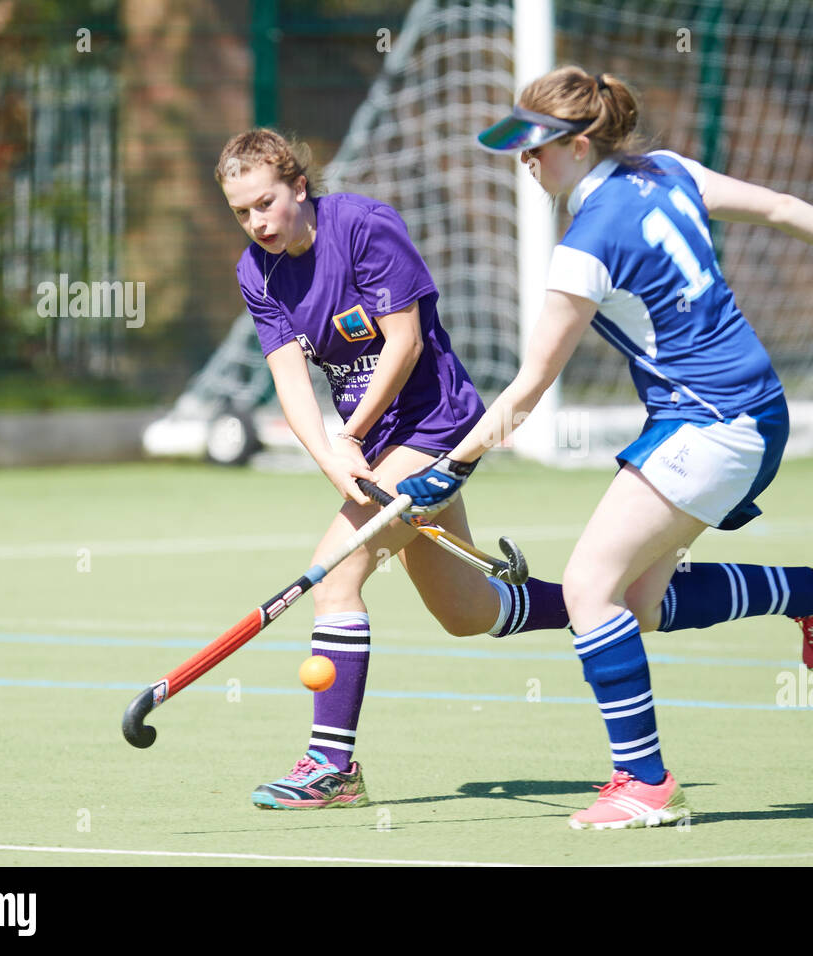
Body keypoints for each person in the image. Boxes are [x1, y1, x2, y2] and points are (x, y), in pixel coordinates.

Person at [397, 68, 813, 829]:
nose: (526, 163)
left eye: (537, 149)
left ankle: (645, 784)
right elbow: (784, 207)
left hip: (715, 421)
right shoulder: (668, 172)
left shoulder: (584, 246)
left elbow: (529, 388)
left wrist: (451, 466)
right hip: (743, 410)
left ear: (580, 143)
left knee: (591, 587)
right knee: (638, 606)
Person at [215, 129, 568, 810]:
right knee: (467, 613)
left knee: (336, 577)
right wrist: (334, 460)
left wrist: (348, 432)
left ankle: (332, 767)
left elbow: (402, 345)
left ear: (297, 185)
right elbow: (290, 384)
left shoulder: (365, 228)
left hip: (436, 428)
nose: (258, 223)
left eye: (266, 203)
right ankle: (602, 598)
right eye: (241, 212)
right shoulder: (256, 272)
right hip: (375, 446)